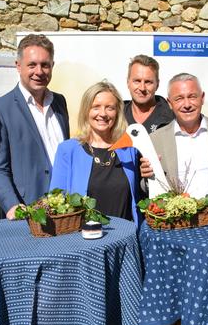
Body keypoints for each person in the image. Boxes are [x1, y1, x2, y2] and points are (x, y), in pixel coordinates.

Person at [0, 34, 69, 219]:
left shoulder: (60, 103)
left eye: (45, 65)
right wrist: (13, 207)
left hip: (63, 213)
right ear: (18, 66)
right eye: (32, 65)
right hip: (25, 216)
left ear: (52, 66)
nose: (39, 71)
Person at [49, 81, 143, 225]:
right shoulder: (68, 150)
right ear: (86, 110)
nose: (103, 114)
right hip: (84, 241)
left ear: (117, 112)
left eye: (109, 108)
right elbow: (55, 203)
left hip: (124, 239)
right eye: (96, 107)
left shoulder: (129, 150)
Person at [124, 54, 174, 133]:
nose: (142, 88)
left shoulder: (172, 117)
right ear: (128, 82)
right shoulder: (117, 114)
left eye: (148, 82)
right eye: (137, 81)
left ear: (157, 85)